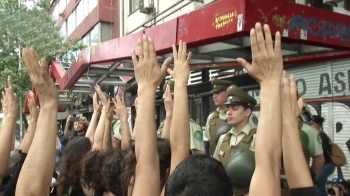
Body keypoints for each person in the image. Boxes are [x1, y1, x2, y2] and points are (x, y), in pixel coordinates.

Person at [213, 84, 257, 196]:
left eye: (235, 108)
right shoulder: (223, 138)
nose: (229, 112)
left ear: (247, 112)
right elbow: (214, 168)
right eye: (228, 108)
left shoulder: (257, 138)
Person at [157, 80, 206, 155]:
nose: (168, 101)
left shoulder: (191, 126)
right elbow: (160, 150)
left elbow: (199, 156)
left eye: (172, 97)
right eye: (167, 97)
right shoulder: (164, 123)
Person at [204, 78, 234, 155]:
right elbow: (209, 140)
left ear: (228, 92)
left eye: (218, 92)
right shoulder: (211, 117)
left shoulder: (242, 116)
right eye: (213, 93)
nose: (214, 96)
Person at [311, 115, 335, 196]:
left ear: (318, 124)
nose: (311, 126)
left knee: (317, 185)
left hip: (326, 165)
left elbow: (321, 152)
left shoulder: (321, 136)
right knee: (319, 185)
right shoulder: (320, 135)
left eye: (312, 124)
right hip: (326, 164)